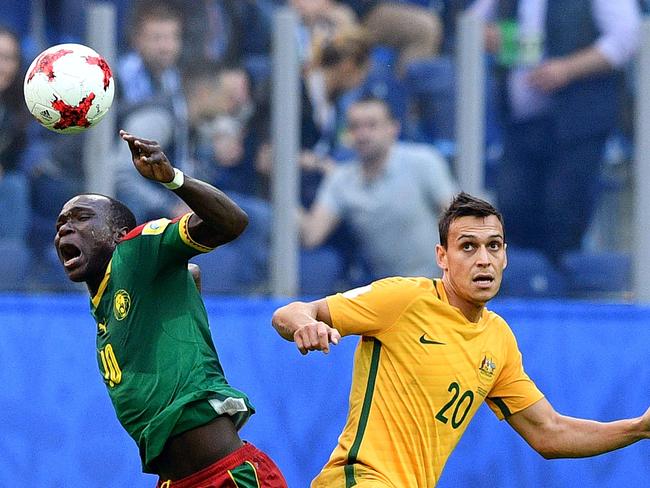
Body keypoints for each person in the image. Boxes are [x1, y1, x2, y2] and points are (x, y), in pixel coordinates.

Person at [272, 192, 650, 487]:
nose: (483, 259)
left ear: (505, 258)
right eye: (468, 246)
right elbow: (288, 313)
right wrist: (306, 324)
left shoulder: (497, 339)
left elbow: (548, 433)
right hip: (359, 479)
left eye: (494, 246)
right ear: (443, 256)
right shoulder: (404, 299)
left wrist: (639, 428)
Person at [54, 130, 287, 487]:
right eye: (60, 225)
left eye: (81, 218)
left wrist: (173, 179)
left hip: (225, 476)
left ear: (119, 234)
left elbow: (232, 223)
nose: (65, 229)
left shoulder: (135, 251)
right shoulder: (105, 306)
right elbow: (190, 276)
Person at [471, 0, 641, 260]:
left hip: (579, 121)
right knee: (512, 208)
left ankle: (562, 288)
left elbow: (626, 37)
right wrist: (485, 34)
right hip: (521, 124)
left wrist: (568, 69)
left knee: (563, 211)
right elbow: (472, 23)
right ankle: (523, 285)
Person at [301, 97, 458, 281]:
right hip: (386, 294)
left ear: (394, 128)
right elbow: (312, 235)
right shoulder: (340, 180)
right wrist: (281, 183)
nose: (362, 134)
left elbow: (459, 222)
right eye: (355, 127)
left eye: (371, 125)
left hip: (442, 284)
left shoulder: (423, 161)